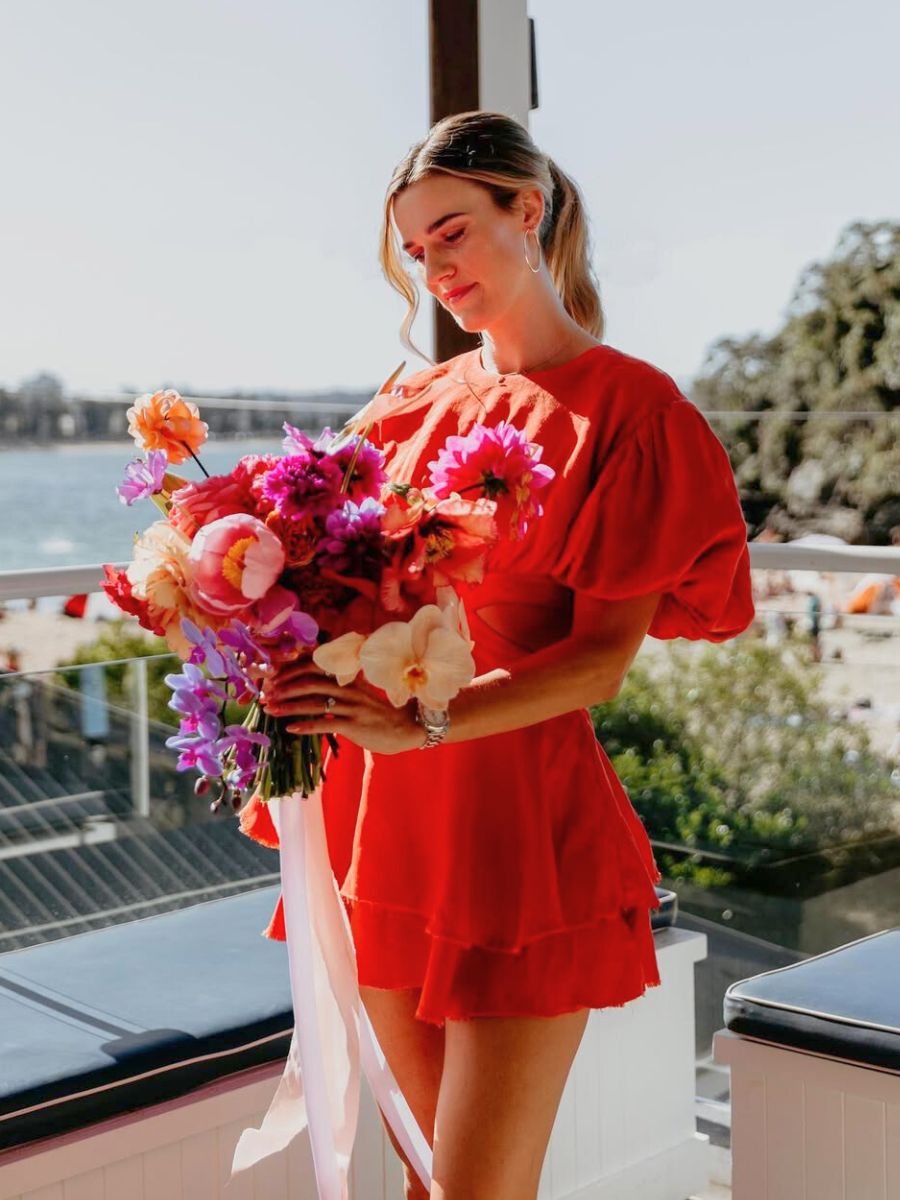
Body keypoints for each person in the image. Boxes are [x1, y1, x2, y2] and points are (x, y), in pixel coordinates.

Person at [250, 111, 755, 1200]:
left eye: (452, 233)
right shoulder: (406, 410)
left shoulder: (636, 415)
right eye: (415, 252)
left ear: (528, 210)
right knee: (423, 1184)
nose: (435, 269)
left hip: (521, 835)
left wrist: (422, 720)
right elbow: (331, 589)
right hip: (385, 828)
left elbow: (598, 664)